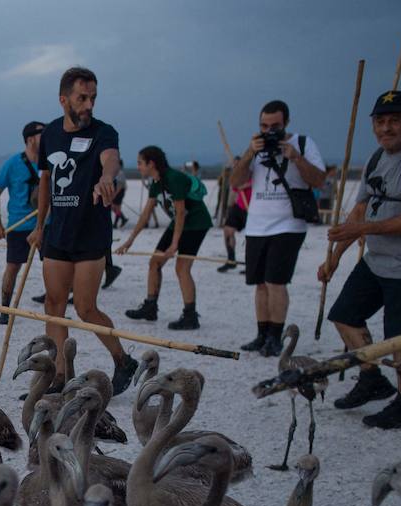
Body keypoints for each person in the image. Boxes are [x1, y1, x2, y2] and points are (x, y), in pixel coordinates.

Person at [320, 89, 401, 430]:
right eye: (380, 121)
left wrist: (365, 228)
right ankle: (372, 378)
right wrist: (335, 257)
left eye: (395, 120)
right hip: (379, 259)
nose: (386, 128)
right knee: (344, 316)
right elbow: (359, 210)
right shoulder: (377, 157)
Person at [25, 66, 138, 392]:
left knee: (86, 308)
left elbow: (110, 160)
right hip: (58, 231)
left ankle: (122, 359)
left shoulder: (104, 132)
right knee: (54, 305)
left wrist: (107, 178)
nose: (89, 105)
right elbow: (46, 180)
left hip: (90, 233)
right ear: (64, 100)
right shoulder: (50, 134)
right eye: (82, 98)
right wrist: (39, 225)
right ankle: (60, 375)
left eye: (93, 98)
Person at [229, 99, 327, 356]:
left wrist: (296, 157)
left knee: (276, 282)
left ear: (287, 123)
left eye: (275, 126)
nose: (269, 131)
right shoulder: (256, 147)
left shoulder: (303, 143)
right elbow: (235, 182)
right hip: (256, 225)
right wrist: (249, 153)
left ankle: (275, 336)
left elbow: (319, 180)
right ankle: (262, 334)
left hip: (288, 225)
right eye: (264, 126)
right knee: (260, 284)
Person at [119, 144, 213, 330]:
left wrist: (174, 244)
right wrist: (130, 240)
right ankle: (150, 307)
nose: (138, 167)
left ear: (151, 164)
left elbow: (180, 212)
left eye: (140, 163)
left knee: (182, 268)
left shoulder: (174, 178)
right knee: (155, 262)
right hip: (179, 223)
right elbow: (146, 214)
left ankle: (190, 316)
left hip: (196, 223)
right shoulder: (156, 182)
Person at [0, 121, 46, 326]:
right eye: (42, 134)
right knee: (13, 267)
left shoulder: (50, 162)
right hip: (19, 224)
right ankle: (5, 309)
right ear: (30, 139)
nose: (47, 137)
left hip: (45, 224)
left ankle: (54, 309)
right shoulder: (13, 163)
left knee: (52, 266)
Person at [216, 170, 250, 272]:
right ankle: (231, 260)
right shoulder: (241, 172)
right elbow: (234, 185)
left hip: (253, 207)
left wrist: (247, 185)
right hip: (239, 206)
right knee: (228, 230)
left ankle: (252, 264)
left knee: (252, 237)